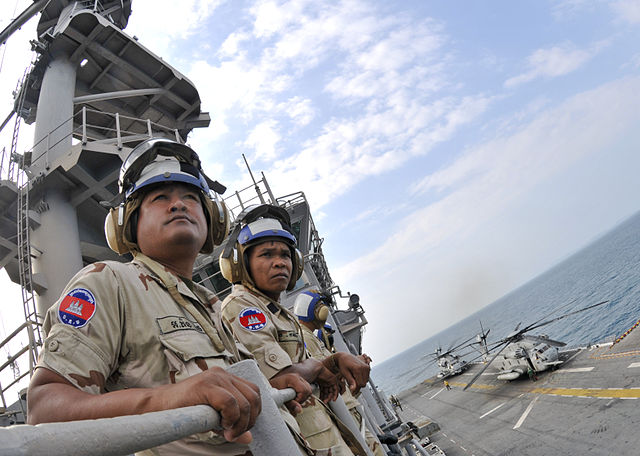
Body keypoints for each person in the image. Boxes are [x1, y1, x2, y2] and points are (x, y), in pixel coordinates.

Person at [27, 138, 314, 455]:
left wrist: (271, 391)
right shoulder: (111, 282)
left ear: (213, 220)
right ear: (128, 225)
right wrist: (171, 398)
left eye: (191, 197)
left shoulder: (212, 305)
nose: (178, 205)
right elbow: (45, 410)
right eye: (160, 198)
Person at [219, 205, 370, 456]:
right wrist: (319, 367)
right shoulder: (241, 306)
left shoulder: (279, 312)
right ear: (241, 265)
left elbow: (302, 367)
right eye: (267, 254)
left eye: (286, 255)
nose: (279, 262)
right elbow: (281, 376)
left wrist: (335, 360)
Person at [294, 290, 385, 456]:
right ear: (310, 310)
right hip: (341, 409)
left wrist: (354, 362)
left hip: (346, 406)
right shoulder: (305, 338)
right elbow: (322, 376)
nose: (324, 310)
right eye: (320, 306)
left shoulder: (311, 337)